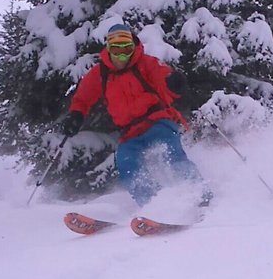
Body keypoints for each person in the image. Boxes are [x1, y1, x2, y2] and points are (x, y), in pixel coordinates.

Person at [60, 23, 210, 207]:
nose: (122, 55)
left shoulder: (146, 63)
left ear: (133, 47)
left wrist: (173, 83)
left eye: (127, 49)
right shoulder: (100, 73)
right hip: (130, 133)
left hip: (157, 122)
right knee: (127, 164)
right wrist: (76, 115)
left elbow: (163, 77)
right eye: (116, 50)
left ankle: (198, 193)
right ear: (108, 50)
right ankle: (152, 204)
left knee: (171, 153)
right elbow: (83, 97)